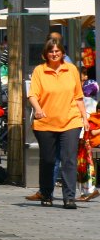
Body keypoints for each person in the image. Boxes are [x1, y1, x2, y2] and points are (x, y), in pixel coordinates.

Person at [28, 37, 89, 208]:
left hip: (71, 120)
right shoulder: (40, 71)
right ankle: (46, 193)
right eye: (51, 51)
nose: (54, 54)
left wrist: (84, 118)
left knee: (68, 159)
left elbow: (78, 96)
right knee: (48, 160)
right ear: (45, 54)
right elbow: (32, 94)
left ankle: (69, 197)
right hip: (45, 122)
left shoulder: (72, 70)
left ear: (62, 52)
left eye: (57, 51)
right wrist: (38, 109)